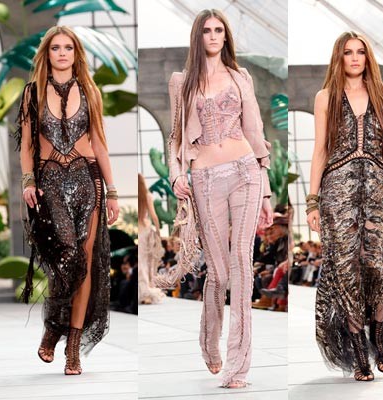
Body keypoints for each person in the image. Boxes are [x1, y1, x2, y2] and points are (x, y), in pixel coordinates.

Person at [167, 9, 273, 388]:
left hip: (246, 171)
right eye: (207, 31)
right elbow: (175, 137)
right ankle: (209, 341)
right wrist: (176, 173)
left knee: (242, 264)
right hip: (205, 177)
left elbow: (255, 130)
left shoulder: (241, 76)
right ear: (197, 37)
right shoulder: (181, 82)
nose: (213, 36)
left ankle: (238, 366)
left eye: (219, 30)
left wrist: (267, 191)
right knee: (220, 271)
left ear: (226, 36)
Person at [14, 26, 119, 376]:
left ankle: (72, 348)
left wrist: (113, 191)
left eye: (68, 48)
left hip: (88, 181)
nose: (62, 53)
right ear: (47, 53)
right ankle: (54, 325)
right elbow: (27, 145)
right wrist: (28, 181)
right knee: (66, 257)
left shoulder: (90, 91)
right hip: (50, 183)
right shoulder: (31, 93)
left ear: (76, 53)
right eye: (56, 48)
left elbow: (100, 143)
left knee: (85, 260)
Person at [306, 31, 383, 382]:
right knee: (345, 269)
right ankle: (360, 352)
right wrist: (312, 201)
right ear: (339, 57)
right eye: (348, 52)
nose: (355, 58)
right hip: (337, 191)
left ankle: (380, 332)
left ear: (368, 57)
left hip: (375, 188)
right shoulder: (326, 97)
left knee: (373, 264)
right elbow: (320, 149)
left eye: (361, 52)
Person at [138, 173, 165, 305]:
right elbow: (154, 216)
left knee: (140, 262)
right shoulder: (147, 196)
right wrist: (158, 232)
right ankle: (147, 291)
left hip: (138, 230)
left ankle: (142, 293)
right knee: (147, 262)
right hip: (146, 230)